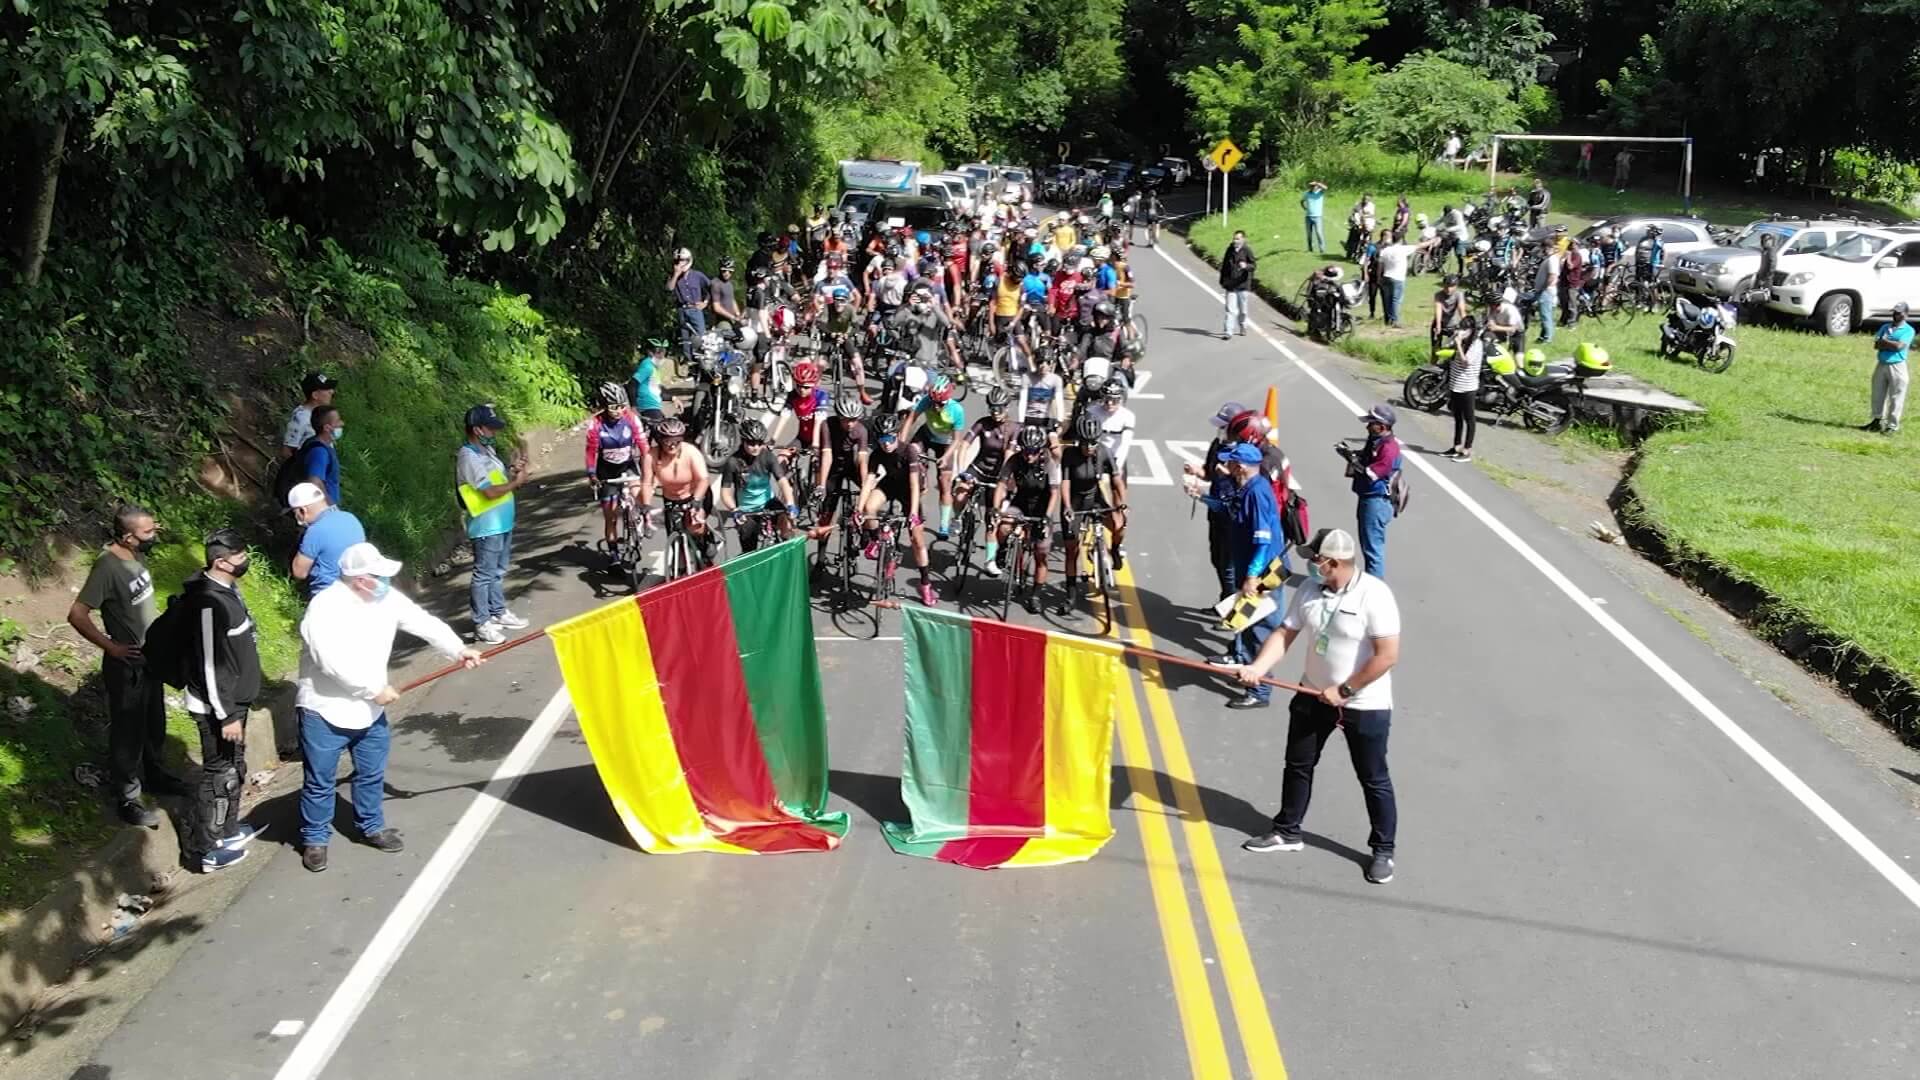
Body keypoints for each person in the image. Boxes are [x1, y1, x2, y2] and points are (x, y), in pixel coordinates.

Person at [296, 542, 482, 873]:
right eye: (379, 576)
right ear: (359, 578)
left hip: (370, 708)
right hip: (325, 710)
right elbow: (330, 661)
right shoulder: (324, 608)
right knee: (319, 779)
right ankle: (315, 839)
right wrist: (371, 689)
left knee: (371, 771)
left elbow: (422, 621)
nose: (386, 582)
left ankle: (371, 826)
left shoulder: (385, 598)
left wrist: (458, 649)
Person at [1236, 527, 1403, 887]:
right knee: (1298, 764)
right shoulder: (1311, 590)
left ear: (1334, 562)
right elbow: (1285, 633)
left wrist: (1345, 689)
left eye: (1316, 559)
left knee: (1372, 777)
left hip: (1363, 703)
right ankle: (1287, 831)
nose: (1310, 564)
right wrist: (1257, 668)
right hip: (1312, 694)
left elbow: (1387, 655)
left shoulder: (1374, 595)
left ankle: (1382, 850)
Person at [67, 506, 187, 827]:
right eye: (148, 532)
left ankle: (156, 776)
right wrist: (112, 647)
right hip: (127, 665)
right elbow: (77, 614)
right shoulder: (107, 567)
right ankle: (128, 797)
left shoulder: (136, 556)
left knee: (154, 724)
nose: (154, 536)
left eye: (154, 529)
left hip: (151, 659)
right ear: (127, 536)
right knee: (128, 733)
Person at [178, 530, 262, 872]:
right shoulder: (209, 605)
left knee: (233, 767)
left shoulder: (227, 590)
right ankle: (206, 850)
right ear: (221, 562)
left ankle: (227, 831)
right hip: (218, 708)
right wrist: (226, 715)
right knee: (218, 775)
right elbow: (210, 666)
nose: (246, 561)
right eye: (240, 556)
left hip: (233, 702)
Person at [1197, 443, 1286, 710]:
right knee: (1246, 625)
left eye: (1232, 463)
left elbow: (1262, 539)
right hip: (1252, 567)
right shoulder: (1246, 488)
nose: (1228, 467)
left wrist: (1251, 576)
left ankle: (1260, 690)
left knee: (1260, 628)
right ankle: (1247, 671)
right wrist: (1201, 497)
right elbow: (1230, 510)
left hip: (1263, 573)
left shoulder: (1257, 493)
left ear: (1242, 466)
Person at [458, 403, 533, 644]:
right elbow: (489, 492)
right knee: (484, 574)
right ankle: (482, 622)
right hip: (486, 526)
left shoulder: (486, 452)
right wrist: (516, 483)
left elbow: (497, 480)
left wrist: (512, 471)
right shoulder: (468, 456)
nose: (494, 432)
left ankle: (498, 612)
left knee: (498, 572)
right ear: (477, 429)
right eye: (490, 428)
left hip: (501, 523)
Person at [858, 416, 936, 607]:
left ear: (896, 436)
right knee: (870, 507)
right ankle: (876, 539)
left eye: (890, 439)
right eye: (882, 440)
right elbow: (869, 481)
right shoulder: (877, 453)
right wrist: (858, 509)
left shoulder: (908, 451)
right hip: (890, 484)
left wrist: (913, 514)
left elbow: (914, 484)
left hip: (909, 490)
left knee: (917, 540)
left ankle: (925, 584)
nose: (887, 444)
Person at [1059, 411, 1127, 606]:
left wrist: (1121, 503)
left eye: (1093, 443)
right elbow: (1065, 483)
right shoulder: (1069, 455)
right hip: (1075, 501)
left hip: (1095, 497)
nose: (1090, 447)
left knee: (1119, 524)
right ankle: (1070, 594)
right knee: (1071, 548)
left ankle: (1113, 550)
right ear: (1079, 440)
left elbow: (1116, 479)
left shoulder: (1104, 451)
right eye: (1086, 443)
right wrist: (1067, 507)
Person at [991, 424, 1062, 612]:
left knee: (1041, 553)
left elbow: (1055, 493)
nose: (1028, 455)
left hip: (1042, 506)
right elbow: (1001, 484)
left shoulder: (1048, 463)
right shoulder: (1015, 460)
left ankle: (1035, 596)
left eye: (1033, 451)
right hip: (1021, 502)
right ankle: (1003, 549)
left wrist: (1047, 517)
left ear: (1040, 450)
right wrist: (996, 508)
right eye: (1025, 450)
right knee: (1004, 526)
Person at [584, 382, 653, 565]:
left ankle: (645, 516)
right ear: (604, 407)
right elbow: (591, 452)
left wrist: (648, 463)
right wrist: (592, 474)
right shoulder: (596, 424)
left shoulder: (631, 418)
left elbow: (642, 443)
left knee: (639, 490)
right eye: (614, 407)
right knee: (611, 518)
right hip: (606, 470)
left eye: (623, 406)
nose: (619, 411)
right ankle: (614, 556)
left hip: (627, 465)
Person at [718, 419, 798, 551]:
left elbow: (783, 482)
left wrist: (790, 504)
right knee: (749, 551)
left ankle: (786, 551)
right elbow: (725, 492)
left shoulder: (768, 456)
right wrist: (734, 510)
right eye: (751, 443)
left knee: (787, 524)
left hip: (769, 503)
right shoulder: (733, 462)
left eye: (760, 443)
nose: (756, 447)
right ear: (743, 441)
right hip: (746, 510)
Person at [644, 417, 716, 560]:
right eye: (667, 441)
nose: (672, 446)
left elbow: (703, 479)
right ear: (660, 440)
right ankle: (680, 568)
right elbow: (646, 483)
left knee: (694, 525)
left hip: (696, 494)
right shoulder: (650, 456)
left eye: (677, 441)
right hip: (671, 499)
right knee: (674, 540)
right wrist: (646, 505)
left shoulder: (691, 452)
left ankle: (707, 538)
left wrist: (696, 501)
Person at [1343, 404, 1402, 579]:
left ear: (1382, 427)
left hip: (1376, 502)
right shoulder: (1375, 440)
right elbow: (1366, 457)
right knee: (1368, 546)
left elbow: (1372, 473)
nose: (1367, 426)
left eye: (1371, 423)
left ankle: (1375, 591)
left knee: (1372, 550)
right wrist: (1351, 454)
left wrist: (1352, 461)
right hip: (1368, 498)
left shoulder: (1389, 449)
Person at [901, 377, 965, 536]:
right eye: (933, 402)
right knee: (912, 454)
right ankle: (921, 479)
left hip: (946, 443)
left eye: (940, 404)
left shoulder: (956, 410)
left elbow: (957, 440)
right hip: (927, 434)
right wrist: (901, 443)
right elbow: (911, 419)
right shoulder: (926, 401)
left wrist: (946, 457)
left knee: (944, 482)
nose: (936, 407)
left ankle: (944, 524)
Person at [288, 482, 365, 599]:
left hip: (327, 596)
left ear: (303, 511)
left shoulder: (316, 530)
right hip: (357, 591)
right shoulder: (351, 518)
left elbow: (299, 573)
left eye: (295, 513)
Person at [1866, 302, 1912, 434]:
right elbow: (1876, 345)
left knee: (1896, 396)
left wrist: (1885, 342)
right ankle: (1876, 421)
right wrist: (1889, 343)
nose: (1896, 315)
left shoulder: (1908, 330)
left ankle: (1892, 425)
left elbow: (1899, 346)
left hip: (1897, 365)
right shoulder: (1885, 326)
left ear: (1905, 314)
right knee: (1877, 393)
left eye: (1899, 312)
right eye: (1895, 312)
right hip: (1882, 363)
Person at [1442, 321, 1483, 462]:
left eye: (1464, 329)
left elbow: (1466, 362)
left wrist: (1459, 343)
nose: (1461, 331)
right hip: (1455, 385)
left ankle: (1467, 450)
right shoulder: (1462, 340)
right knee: (1457, 417)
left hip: (1468, 387)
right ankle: (1456, 446)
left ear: (1472, 330)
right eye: (1460, 328)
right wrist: (1453, 337)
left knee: (1469, 419)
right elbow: (1445, 347)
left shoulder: (1476, 344)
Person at [289, 404, 343, 505]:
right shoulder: (319, 452)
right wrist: (330, 507)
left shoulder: (316, 443)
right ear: (327, 428)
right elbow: (314, 482)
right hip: (321, 511)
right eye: (338, 421)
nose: (342, 423)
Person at [281, 372, 338, 461]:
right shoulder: (301, 418)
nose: (332, 392)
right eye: (326, 389)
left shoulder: (320, 414)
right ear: (315, 395)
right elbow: (287, 450)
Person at [667, 247, 711, 361]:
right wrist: (676, 275)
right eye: (677, 261)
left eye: (682, 261)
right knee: (685, 338)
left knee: (701, 337)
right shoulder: (673, 276)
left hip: (695, 309)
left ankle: (704, 362)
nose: (679, 263)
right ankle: (689, 362)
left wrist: (705, 302)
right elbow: (669, 288)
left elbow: (711, 288)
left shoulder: (697, 275)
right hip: (682, 309)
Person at [1219, 231, 1256, 339]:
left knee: (1243, 310)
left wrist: (1246, 266)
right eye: (1234, 239)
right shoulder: (1229, 250)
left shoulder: (1247, 250)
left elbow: (1253, 265)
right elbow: (1224, 266)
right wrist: (1223, 281)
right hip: (1230, 285)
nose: (1235, 241)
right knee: (1230, 310)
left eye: (1237, 239)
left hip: (1242, 285)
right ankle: (1228, 331)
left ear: (1243, 239)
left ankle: (1243, 325)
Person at [1375, 233, 1413, 328]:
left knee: (1387, 300)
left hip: (1386, 276)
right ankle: (1395, 320)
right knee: (1396, 300)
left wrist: (1379, 277)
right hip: (1398, 278)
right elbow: (1420, 245)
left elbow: (1380, 266)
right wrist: (1433, 240)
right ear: (1401, 240)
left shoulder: (1385, 250)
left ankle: (1388, 319)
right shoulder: (1403, 249)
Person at [629, 338, 669, 424]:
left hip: (653, 407)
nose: (662, 356)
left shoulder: (654, 367)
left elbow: (655, 390)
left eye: (663, 352)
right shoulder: (647, 366)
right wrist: (634, 406)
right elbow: (632, 384)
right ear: (650, 353)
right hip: (647, 407)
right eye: (658, 353)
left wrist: (673, 398)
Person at [1532, 240, 1560, 344]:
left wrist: (1544, 288)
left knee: (1545, 315)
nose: (1543, 251)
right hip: (1545, 291)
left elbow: (1552, 276)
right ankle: (1543, 336)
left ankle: (1548, 338)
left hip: (1546, 291)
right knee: (1545, 315)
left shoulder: (1552, 259)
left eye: (1544, 248)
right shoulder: (1549, 259)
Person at [1430, 274, 1467, 347]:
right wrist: (1438, 325)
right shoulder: (1438, 295)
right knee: (1435, 349)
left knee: (1457, 347)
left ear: (1456, 286)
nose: (1448, 289)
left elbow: (1461, 311)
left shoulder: (1459, 295)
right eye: (1446, 286)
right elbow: (1438, 309)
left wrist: (1466, 324)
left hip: (1454, 325)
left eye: (1451, 286)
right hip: (1440, 323)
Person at [1486, 287, 1525, 355]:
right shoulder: (1491, 309)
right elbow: (1491, 318)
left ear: (1495, 305)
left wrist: (1496, 327)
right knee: (1487, 339)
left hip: (1517, 333)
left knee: (1519, 359)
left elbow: (1513, 329)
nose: (1490, 309)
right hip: (1501, 330)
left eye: (1491, 306)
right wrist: (1491, 322)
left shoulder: (1510, 310)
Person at [1300, 181, 1327, 253]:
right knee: (1309, 234)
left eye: (1314, 186)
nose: (1312, 187)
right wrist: (1304, 208)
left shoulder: (1320, 193)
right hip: (1308, 217)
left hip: (1318, 217)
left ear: (1317, 186)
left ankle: (1322, 249)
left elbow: (1325, 188)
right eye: (1311, 186)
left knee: (1319, 232)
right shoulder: (1307, 193)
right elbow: (1302, 201)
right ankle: (1310, 249)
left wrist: (1318, 183)